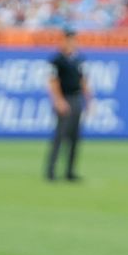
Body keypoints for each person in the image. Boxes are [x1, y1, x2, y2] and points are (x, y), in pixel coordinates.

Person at [45, 27, 92, 182]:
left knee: (75, 137)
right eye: (69, 39)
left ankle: (70, 171)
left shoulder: (79, 59)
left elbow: (83, 80)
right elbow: (53, 82)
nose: (72, 42)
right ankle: (51, 171)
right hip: (64, 98)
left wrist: (89, 100)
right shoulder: (57, 59)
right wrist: (58, 100)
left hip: (76, 97)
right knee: (60, 136)